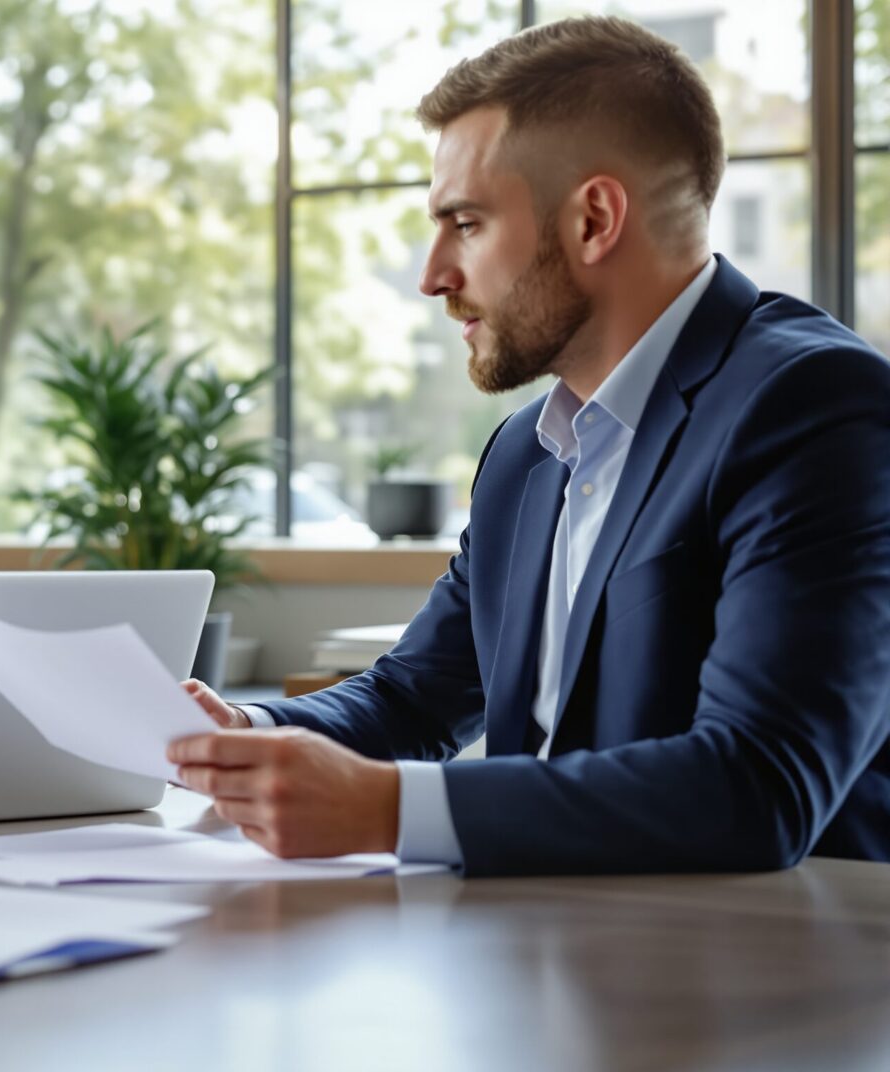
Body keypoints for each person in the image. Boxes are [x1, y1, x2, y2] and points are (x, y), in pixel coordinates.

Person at [171, 16, 890, 875]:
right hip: (546, 956)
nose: (432, 273)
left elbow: (760, 784)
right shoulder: (525, 453)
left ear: (593, 219)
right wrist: (243, 734)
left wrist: (385, 808)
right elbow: (413, 696)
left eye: (465, 222)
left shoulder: (813, 407)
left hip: (768, 977)